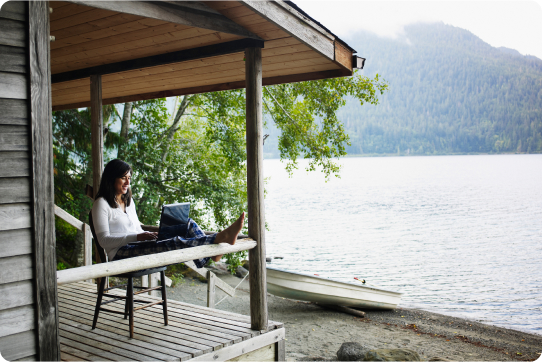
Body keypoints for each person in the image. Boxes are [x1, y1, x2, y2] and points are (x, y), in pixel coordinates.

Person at [91, 159, 245, 268]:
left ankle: (212, 252)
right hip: (120, 254)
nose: (127, 182)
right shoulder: (101, 204)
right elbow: (103, 241)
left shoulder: (129, 202)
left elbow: (137, 229)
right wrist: (138, 237)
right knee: (175, 242)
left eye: (129, 178)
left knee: (186, 224)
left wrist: (150, 235)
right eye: (123, 178)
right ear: (111, 179)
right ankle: (219, 239)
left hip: (139, 245)